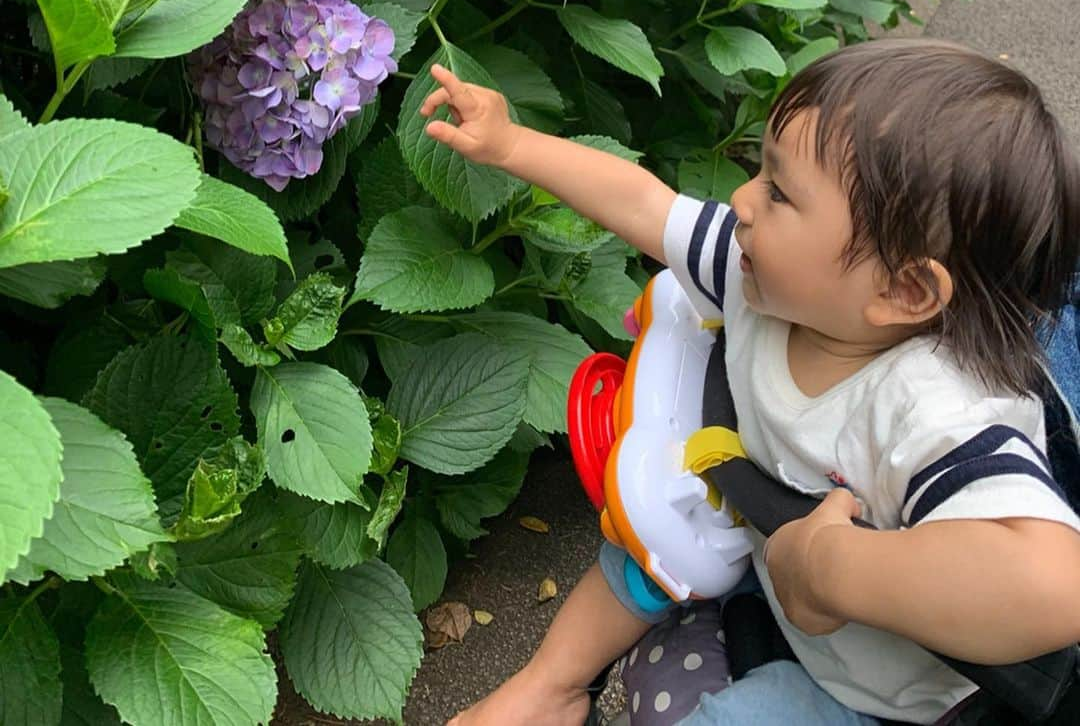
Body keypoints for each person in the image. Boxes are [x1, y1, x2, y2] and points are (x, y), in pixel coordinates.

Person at [419, 39, 1080, 726]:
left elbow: (1054, 584)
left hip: (880, 697)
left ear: (903, 288)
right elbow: (648, 206)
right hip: (771, 579)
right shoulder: (760, 277)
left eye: (778, 190)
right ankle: (551, 688)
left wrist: (824, 568)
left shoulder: (934, 409)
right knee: (656, 523)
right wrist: (509, 144)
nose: (739, 198)